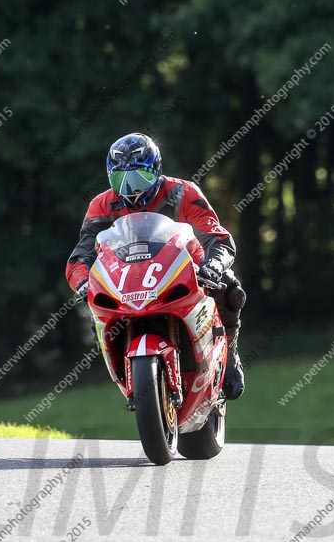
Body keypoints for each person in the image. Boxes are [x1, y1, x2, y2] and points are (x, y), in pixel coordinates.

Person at [65, 132, 246, 399]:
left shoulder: (183, 193)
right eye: (121, 179)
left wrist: (213, 265)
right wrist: (84, 283)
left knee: (231, 288)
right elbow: (80, 257)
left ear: (156, 170)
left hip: (184, 273)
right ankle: (125, 372)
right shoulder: (101, 205)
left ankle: (230, 355)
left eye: (139, 177)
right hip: (126, 281)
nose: (132, 189)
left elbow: (217, 237)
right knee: (97, 311)